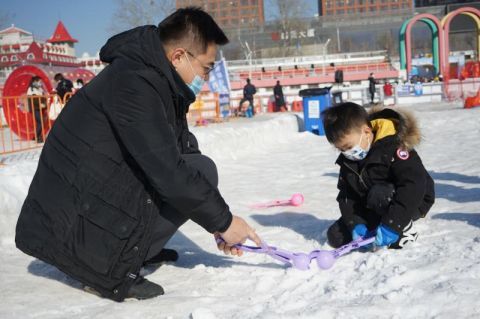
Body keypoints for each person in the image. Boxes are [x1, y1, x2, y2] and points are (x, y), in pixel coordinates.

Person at [15, 7, 260, 302]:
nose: (205, 77)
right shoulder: (134, 84)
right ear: (179, 56)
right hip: (71, 218)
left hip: (99, 189)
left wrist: (216, 223)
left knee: (201, 170)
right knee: (187, 175)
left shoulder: (160, 81)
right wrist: (225, 222)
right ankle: (104, 267)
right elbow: (167, 169)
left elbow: (182, 151)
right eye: (206, 68)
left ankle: (140, 250)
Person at [321, 103, 435, 250]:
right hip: (374, 203)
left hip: (412, 200)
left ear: (367, 132)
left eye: (349, 147)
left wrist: (393, 225)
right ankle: (379, 223)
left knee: (379, 194)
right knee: (336, 235)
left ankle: (403, 228)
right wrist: (355, 223)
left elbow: (413, 185)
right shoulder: (349, 160)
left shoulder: (394, 148)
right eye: (341, 149)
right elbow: (346, 195)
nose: (347, 153)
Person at [26, 76, 47, 143]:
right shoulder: (31, 89)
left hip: (40, 108)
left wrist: (44, 103)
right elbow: (33, 99)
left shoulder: (40, 89)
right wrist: (40, 104)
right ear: (34, 81)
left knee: (39, 122)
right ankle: (37, 136)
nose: (40, 83)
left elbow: (42, 97)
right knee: (41, 121)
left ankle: (36, 136)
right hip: (34, 108)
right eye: (39, 81)